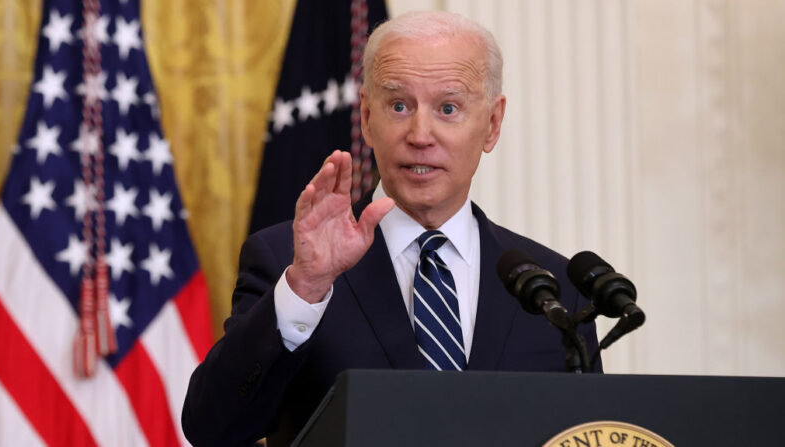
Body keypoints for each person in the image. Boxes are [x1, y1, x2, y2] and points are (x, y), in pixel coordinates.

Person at [182, 10, 601, 447]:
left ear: (492, 124)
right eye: (399, 105)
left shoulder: (556, 290)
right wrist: (305, 288)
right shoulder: (288, 263)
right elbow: (214, 429)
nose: (421, 134)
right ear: (366, 116)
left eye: (448, 108)